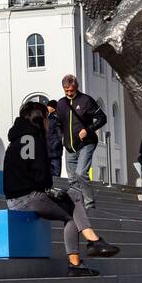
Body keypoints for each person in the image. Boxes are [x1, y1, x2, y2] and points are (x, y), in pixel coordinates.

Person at [3, 101, 119, 276]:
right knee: (74, 206)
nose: (48, 123)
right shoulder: (36, 139)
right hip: (30, 198)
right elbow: (43, 178)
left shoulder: (14, 142)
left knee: (73, 202)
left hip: (12, 200)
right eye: (47, 119)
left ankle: (90, 246)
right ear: (40, 119)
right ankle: (86, 250)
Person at [56, 74, 106, 210]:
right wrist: (62, 138)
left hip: (86, 143)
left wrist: (88, 130)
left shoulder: (86, 101)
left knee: (80, 173)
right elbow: (58, 123)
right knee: (72, 179)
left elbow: (102, 118)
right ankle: (77, 205)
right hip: (69, 146)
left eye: (71, 91)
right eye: (66, 91)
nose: (69, 93)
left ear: (76, 87)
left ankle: (90, 204)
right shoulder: (61, 103)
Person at [43, 99, 64, 177]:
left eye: (48, 106)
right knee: (53, 171)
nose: (47, 107)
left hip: (53, 150)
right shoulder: (50, 118)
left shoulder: (55, 119)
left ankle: (55, 188)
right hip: (52, 150)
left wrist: (54, 145)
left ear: (53, 108)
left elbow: (59, 135)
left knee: (55, 172)